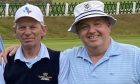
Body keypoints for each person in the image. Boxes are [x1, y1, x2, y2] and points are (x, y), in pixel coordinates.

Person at [1, 1, 140, 84]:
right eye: (84, 27)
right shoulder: (68, 57)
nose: (92, 31)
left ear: (108, 26)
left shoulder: (135, 56)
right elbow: (33, 52)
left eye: (97, 24)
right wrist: (22, 46)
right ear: (78, 32)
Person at [0, 4, 61, 84]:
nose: (27, 32)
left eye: (33, 27)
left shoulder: (60, 59)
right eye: (22, 27)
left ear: (43, 30)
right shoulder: (5, 60)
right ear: (15, 31)